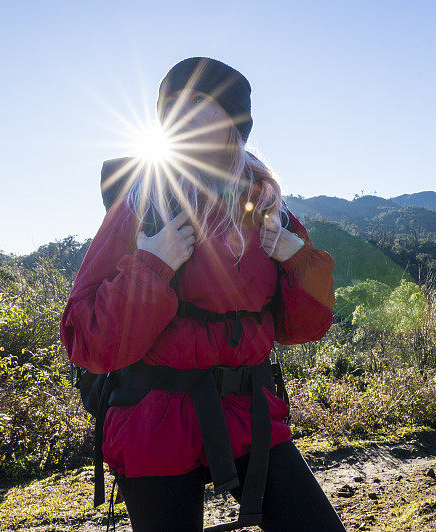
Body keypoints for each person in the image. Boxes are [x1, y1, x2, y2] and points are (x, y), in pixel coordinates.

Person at [60, 57, 347, 531]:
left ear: (233, 117)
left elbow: (306, 329)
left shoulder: (271, 209)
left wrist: (297, 259)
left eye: (197, 100)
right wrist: (152, 266)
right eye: (169, 104)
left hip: (248, 410)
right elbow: (89, 342)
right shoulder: (141, 204)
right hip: (156, 417)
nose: (179, 114)